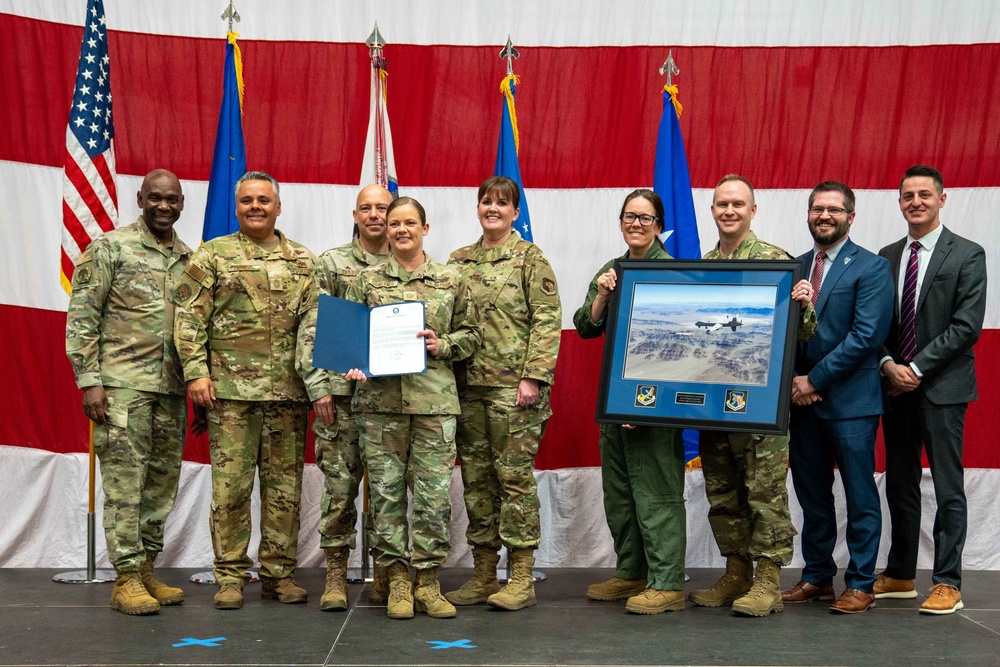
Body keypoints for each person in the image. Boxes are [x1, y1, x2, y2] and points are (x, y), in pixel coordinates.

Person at [174, 171, 321, 610]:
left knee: (284, 491)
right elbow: (188, 318)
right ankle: (231, 576)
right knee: (231, 490)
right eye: (246, 201)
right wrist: (196, 374)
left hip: (288, 397)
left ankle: (279, 576)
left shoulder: (303, 260)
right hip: (230, 395)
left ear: (279, 207)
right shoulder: (213, 255)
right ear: (236, 207)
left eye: (263, 200)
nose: (255, 207)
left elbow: (314, 327)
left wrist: (317, 386)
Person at [66, 169, 198, 615]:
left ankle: (145, 568)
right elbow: (83, 316)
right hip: (122, 388)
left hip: (170, 390)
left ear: (182, 203)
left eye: (172, 200)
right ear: (140, 199)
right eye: (155, 198)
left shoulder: (187, 257)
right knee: (125, 487)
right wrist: (90, 381)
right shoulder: (110, 247)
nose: (164, 206)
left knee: (161, 485)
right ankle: (124, 577)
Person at [344, 196, 482, 620]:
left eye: (409, 223)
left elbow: (473, 334)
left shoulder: (451, 278)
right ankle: (398, 582)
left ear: (426, 227)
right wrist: (353, 363)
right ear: (384, 229)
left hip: (434, 405)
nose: (401, 229)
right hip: (379, 407)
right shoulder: (364, 281)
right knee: (384, 498)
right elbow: (348, 339)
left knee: (432, 500)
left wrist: (445, 345)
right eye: (393, 223)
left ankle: (428, 581)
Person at [689, 174, 816, 617]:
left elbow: (803, 333)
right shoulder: (704, 264)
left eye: (738, 204)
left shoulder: (775, 261)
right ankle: (737, 571)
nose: (729, 211)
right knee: (723, 490)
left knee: (763, 491)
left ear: (752, 210)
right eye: (722, 203)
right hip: (713, 398)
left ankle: (767, 579)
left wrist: (804, 301)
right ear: (713, 209)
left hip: (758, 400)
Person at [445, 176, 561, 611]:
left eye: (502, 203)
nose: (493, 208)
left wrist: (533, 377)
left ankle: (521, 577)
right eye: (486, 201)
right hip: (467, 389)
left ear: (516, 212)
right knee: (477, 483)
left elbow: (547, 322)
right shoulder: (458, 261)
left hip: (514, 392)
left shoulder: (530, 260)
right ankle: (481, 574)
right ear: (478, 208)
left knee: (512, 482)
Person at [876, 165, 987, 615]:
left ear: (942, 199)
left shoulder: (968, 254)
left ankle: (947, 581)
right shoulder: (885, 256)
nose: (916, 201)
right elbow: (875, 324)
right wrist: (888, 364)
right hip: (895, 389)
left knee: (946, 486)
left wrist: (915, 367)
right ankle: (901, 573)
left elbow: (966, 327)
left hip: (941, 387)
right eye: (908, 195)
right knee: (899, 484)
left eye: (925, 194)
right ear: (899, 202)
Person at [573, 189, 687, 615]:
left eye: (645, 217)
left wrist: (646, 406)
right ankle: (632, 572)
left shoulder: (674, 273)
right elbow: (585, 326)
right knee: (620, 493)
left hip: (654, 405)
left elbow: (677, 344)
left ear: (659, 225)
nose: (636, 224)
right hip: (614, 401)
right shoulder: (613, 270)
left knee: (656, 492)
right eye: (629, 217)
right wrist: (603, 293)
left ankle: (668, 582)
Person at [780, 181, 893, 614]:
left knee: (860, 495)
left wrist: (815, 381)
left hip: (851, 404)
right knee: (812, 496)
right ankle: (817, 577)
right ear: (808, 214)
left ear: (851, 216)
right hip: (801, 403)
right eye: (817, 209)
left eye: (834, 209)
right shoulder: (796, 266)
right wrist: (795, 381)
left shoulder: (871, 267)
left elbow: (867, 337)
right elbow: (784, 334)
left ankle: (862, 582)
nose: (824, 216)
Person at [296, 184, 393, 611]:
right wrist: (318, 387)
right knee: (339, 490)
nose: (375, 215)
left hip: (392, 398)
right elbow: (312, 326)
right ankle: (335, 572)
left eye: (383, 209)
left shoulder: (408, 261)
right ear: (355, 215)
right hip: (341, 398)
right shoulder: (332, 263)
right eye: (367, 209)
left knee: (391, 490)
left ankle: (390, 573)